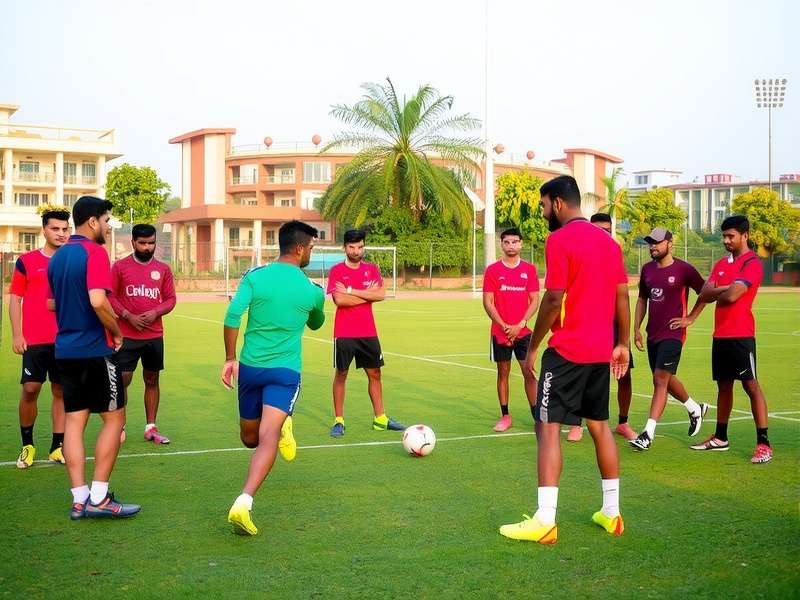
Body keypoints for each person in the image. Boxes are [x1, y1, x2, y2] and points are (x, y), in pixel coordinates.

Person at [499, 175, 630, 544]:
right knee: (600, 426)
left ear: (557, 203)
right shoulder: (609, 243)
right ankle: (611, 513)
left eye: (543, 206)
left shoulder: (559, 240)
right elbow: (622, 295)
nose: (542, 213)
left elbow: (553, 298)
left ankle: (544, 520)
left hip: (568, 350)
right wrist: (622, 342)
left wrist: (533, 345)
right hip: (600, 349)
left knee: (548, 428)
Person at [223, 220, 325, 535]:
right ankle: (284, 423)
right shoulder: (312, 290)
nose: (311, 252)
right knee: (250, 439)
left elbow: (231, 316)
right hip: (258, 370)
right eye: (311, 247)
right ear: (299, 248)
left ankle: (243, 502)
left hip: (278, 372)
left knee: (265, 437)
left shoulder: (254, 277)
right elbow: (317, 324)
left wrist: (230, 356)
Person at [48, 196, 140, 520]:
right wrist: (116, 331)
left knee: (74, 420)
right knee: (114, 418)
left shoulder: (57, 258)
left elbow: (52, 304)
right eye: (106, 220)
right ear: (92, 222)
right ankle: (100, 497)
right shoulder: (95, 252)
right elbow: (98, 301)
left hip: (66, 350)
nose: (108, 225)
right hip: (95, 351)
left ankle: (79, 499)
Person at [690, 215, 772, 464]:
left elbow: (732, 296)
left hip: (742, 336)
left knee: (750, 385)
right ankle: (721, 438)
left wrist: (721, 290)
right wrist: (723, 289)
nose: (726, 240)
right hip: (721, 336)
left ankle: (764, 443)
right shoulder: (722, 263)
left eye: (730, 236)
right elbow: (704, 293)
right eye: (724, 236)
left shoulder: (752, 263)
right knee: (723, 386)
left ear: (745, 236)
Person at [629, 227, 709, 451]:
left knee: (659, 380)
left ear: (669, 244)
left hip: (673, 334)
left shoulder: (684, 269)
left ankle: (647, 434)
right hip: (653, 334)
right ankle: (695, 408)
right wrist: (636, 328)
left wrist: (691, 318)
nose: (653, 247)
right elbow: (642, 300)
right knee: (665, 378)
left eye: (657, 242)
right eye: (650, 243)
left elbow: (705, 292)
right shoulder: (647, 270)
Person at [565, 213, 637, 442]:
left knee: (624, 373)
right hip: (588, 322)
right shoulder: (580, 253)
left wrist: (625, 338)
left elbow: (622, 294)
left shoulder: (614, 252)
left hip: (613, 322)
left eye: (606, 230)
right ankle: (576, 422)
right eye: (597, 230)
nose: (601, 234)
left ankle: (623, 422)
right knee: (584, 373)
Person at [326, 229, 404, 437]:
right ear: (344, 247)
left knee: (375, 374)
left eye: (360, 247)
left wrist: (351, 291)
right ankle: (339, 421)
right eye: (352, 247)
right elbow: (339, 300)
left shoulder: (371, 269)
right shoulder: (336, 271)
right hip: (344, 332)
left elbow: (380, 295)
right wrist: (367, 296)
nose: (356, 251)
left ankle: (380, 419)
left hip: (368, 332)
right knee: (341, 374)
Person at [9, 209, 70, 468]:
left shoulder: (73, 260)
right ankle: (27, 446)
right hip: (33, 340)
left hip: (65, 339)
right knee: (30, 389)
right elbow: (15, 299)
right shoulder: (27, 261)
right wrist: (17, 333)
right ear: (44, 230)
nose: (61, 233)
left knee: (61, 391)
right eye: (55, 229)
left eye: (65, 229)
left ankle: (57, 447)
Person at [110, 224, 177, 445]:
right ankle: (119, 425)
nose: (147, 247)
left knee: (152, 379)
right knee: (122, 379)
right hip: (127, 335)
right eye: (142, 243)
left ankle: (151, 427)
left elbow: (170, 299)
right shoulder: (120, 267)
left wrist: (156, 311)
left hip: (154, 336)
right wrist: (128, 315)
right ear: (133, 242)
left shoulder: (163, 269)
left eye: (151, 243)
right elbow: (110, 297)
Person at [482, 227, 539, 432]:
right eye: (507, 242)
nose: (511, 246)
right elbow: (488, 302)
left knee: (529, 373)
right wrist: (504, 325)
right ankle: (505, 415)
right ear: (501, 244)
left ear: (521, 244)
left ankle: (537, 417)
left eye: (515, 242)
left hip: (523, 332)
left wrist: (521, 324)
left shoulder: (530, 270)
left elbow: (535, 300)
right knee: (503, 372)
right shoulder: (493, 270)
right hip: (500, 332)